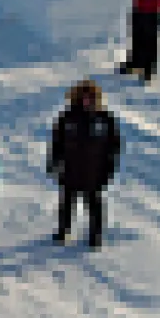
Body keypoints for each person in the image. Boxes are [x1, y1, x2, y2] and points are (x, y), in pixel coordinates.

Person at [48, 79, 120, 248]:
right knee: (67, 202)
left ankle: (95, 236)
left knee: (94, 203)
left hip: (94, 170)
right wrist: (54, 162)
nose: (87, 100)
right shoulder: (66, 117)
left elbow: (113, 146)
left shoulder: (105, 119)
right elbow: (56, 142)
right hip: (70, 168)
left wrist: (110, 168)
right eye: (84, 97)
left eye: (91, 97)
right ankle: (63, 231)